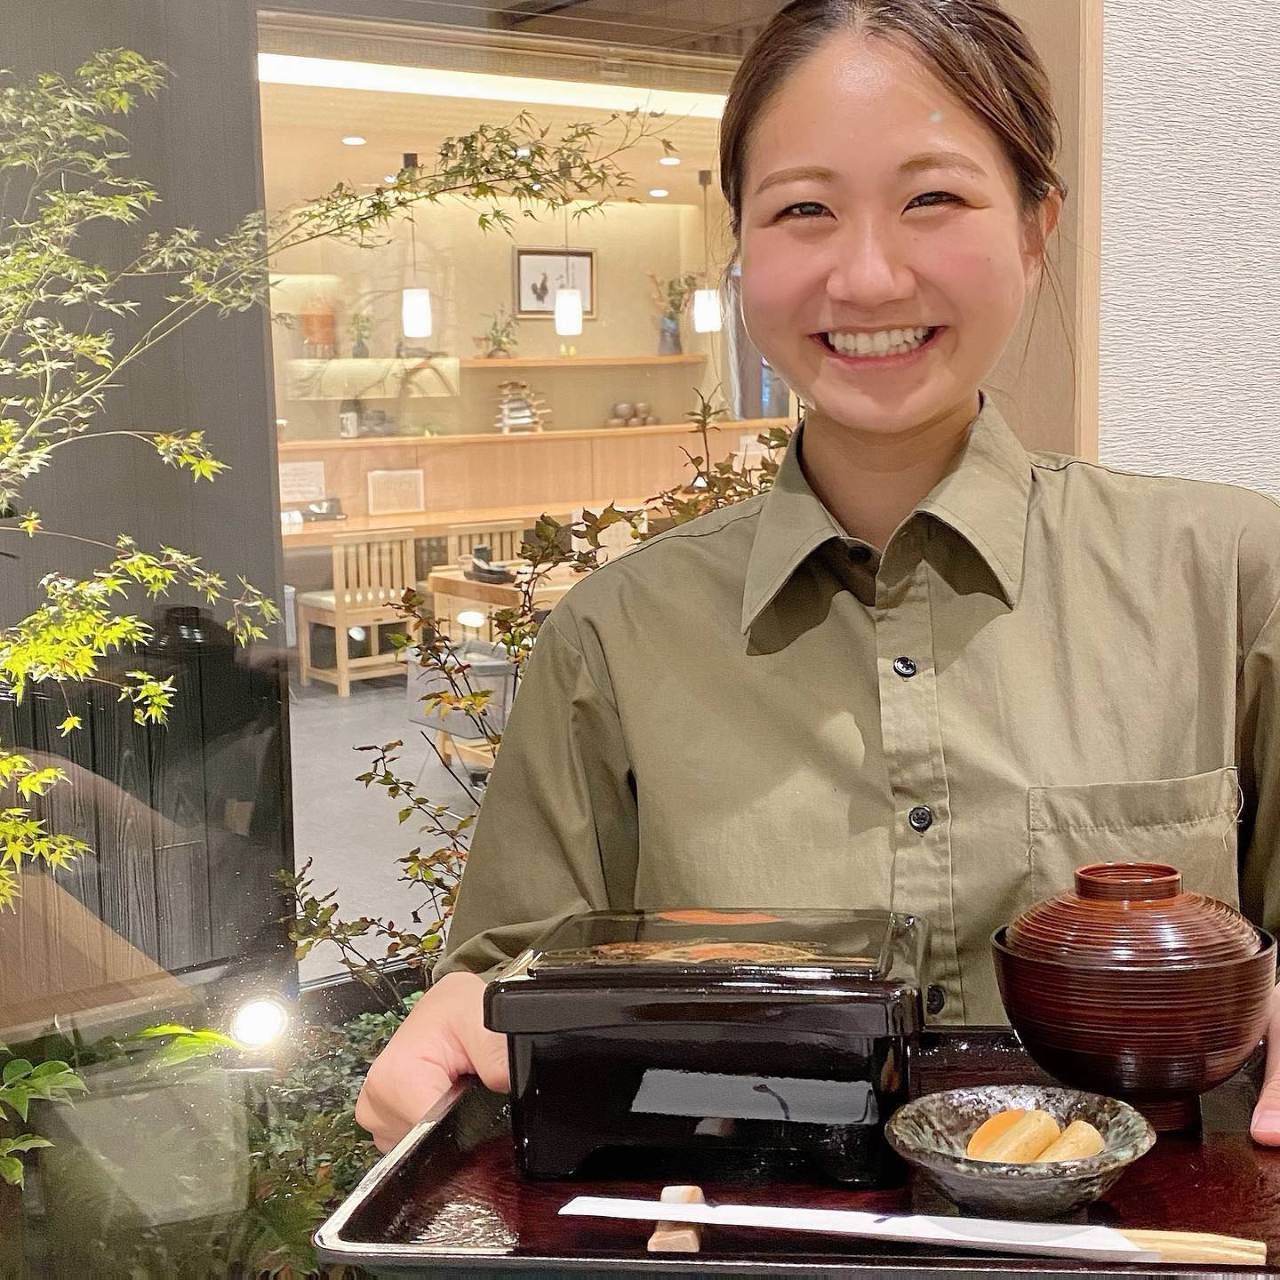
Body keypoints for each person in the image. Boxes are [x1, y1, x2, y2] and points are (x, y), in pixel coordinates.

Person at [357, 0, 1280, 1153]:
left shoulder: (1232, 576)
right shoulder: (613, 637)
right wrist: (458, 1029)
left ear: (1037, 226)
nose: (867, 274)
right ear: (738, 245)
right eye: (802, 210)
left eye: (931, 198)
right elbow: (508, 991)